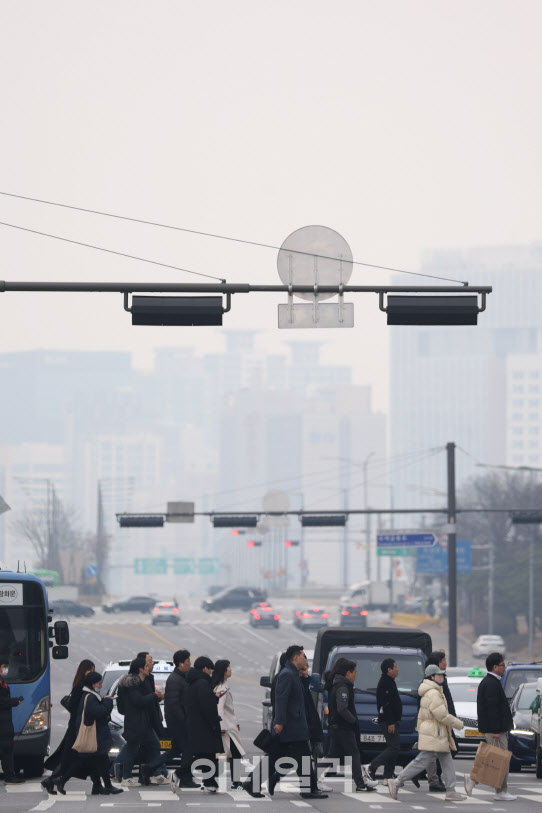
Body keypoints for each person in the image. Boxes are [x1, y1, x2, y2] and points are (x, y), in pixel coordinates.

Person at [387, 664, 465, 802]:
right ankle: (397, 782)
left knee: (446, 761)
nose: (442, 677)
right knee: (423, 760)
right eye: (439, 675)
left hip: (436, 732)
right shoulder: (433, 693)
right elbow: (441, 715)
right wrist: (458, 723)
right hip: (435, 733)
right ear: (432, 677)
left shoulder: (431, 691)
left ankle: (451, 790)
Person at [271, 645, 327, 800]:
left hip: (297, 725)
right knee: (297, 758)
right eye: (303, 656)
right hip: (292, 725)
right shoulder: (287, 674)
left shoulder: (293, 673)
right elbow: (281, 700)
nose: (305, 659)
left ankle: (308, 788)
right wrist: (280, 722)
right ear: (295, 657)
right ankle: (308, 789)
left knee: (298, 758)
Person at [52, 672, 123, 796]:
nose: (101, 685)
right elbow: (99, 712)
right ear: (93, 683)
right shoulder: (90, 697)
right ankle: (61, 780)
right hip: (94, 735)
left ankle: (100, 787)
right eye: (99, 683)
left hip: (95, 735)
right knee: (96, 761)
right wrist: (107, 701)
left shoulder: (88, 695)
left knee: (95, 761)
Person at [464, 653, 516, 802]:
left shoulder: (491, 682)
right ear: (495, 667)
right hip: (495, 731)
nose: (504, 668)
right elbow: (492, 709)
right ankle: (500, 791)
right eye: (502, 665)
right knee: (501, 761)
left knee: (493, 760)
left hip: (495, 730)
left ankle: (474, 781)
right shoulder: (491, 683)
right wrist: (495, 730)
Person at [42, 659, 95, 793]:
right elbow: (75, 706)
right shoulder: (81, 687)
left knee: (71, 756)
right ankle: (52, 780)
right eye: (90, 671)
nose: (92, 674)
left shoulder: (83, 685)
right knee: (69, 757)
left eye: (93, 671)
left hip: (77, 726)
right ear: (84, 671)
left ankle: (54, 780)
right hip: (76, 727)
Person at [117, 657, 169, 787]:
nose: (149, 667)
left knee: (155, 746)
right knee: (132, 749)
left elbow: (145, 700)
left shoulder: (143, 681)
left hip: (144, 722)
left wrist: (156, 697)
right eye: (146, 666)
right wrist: (154, 695)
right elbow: (138, 701)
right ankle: (126, 777)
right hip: (136, 723)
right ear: (140, 668)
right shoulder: (133, 683)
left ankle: (156, 773)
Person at [327, 658, 376, 793]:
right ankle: (360, 783)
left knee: (332, 756)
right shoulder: (343, 687)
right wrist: (353, 720)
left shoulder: (339, 685)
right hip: (343, 727)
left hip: (337, 726)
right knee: (354, 754)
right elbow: (342, 708)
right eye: (354, 672)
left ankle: (315, 780)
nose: (355, 675)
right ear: (347, 673)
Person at [412, 649, 456, 793]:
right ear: (438, 662)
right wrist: (451, 720)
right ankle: (433, 780)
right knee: (432, 753)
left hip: (442, 721)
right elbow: (438, 704)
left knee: (440, 751)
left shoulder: (441, 678)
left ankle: (425, 775)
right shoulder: (432, 681)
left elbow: (448, 701)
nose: (446, 663)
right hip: (435, 723)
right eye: (444, 660)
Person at [186, 656, 224, 793]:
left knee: (206, 755)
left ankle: (209, 782)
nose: (210, 673)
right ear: (204, 668)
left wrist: (212, 697)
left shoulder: (194, 682)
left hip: (198, 724)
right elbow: (206, 706)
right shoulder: (202, 683)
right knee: (204, 756)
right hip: (204, 726)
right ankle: (179, 773)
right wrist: (214, 721)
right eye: (209, 670)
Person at [164, 649, 197, 788]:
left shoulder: (183, 677)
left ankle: (148, 768)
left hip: (181, 722)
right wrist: (184, 721)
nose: (190, 663)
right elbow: (173, 704)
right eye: (188, 661)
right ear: (180, 663)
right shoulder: (174, 679)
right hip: (178, 723)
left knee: (176, 750)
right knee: (188, 750)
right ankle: (183, 777)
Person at [366, 658, 402, 783]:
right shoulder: (385, 683)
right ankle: (372, 766)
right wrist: (390, 722)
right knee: (394, 748)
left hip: (392, 720)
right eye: (395, 667)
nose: (397, 669)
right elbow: (385, 704)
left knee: (393, 747)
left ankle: (388, 775)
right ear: (389, 670)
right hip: (388, 721)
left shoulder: (390, 681)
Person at [212, 660, 246, 789]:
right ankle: (235, 782)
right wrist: (221, 726)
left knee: (227, 754)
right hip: (225, 728)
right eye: (229, 667)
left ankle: (210, 781)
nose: (231, 670)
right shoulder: (221, 687)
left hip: (228, 726)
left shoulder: (223, 685)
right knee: (234, 754)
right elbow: (219, 708)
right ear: (224, 671)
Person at [0, 654, 24, 785]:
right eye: (4, 667)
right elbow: (2, 701)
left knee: (7, 748)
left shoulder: (1, 682)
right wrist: (15, 701)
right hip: (2, 722)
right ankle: (9, 776)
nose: (5, 670)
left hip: (5, 721)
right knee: (6, 748)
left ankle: (10, 774)